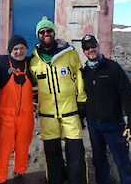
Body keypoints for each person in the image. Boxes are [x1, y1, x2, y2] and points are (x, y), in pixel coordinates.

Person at [29, 18, 88, 184]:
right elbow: (30, 87)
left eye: (49, 30)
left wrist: (82, 101)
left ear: (54, 32)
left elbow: (79, 76)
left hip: (70, 112)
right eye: (42, 32)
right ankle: (57, 180)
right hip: (48, 116)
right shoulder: (34, 61)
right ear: (38, 35)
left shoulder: (69, 52)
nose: (46, 34)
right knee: (52, 153)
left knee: (76, 151)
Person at [79, 34, 131, 184]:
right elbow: (83, 97)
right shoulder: (84, 71)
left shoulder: (113, 67)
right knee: (99, 161)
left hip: (113, 124)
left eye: (93, 46)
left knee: (122, 159)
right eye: (86, 48)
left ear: (97, 46)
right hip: (93, 124)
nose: (90, 49)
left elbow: (126, 95)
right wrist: (81, 117)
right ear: (83, 51)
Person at [0, 35, 34, 184]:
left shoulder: (31, 64)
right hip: (5, 116)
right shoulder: (1, 62)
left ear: (26, 49)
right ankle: (0, 179)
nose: (19, 51)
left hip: (26, 116)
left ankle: (20, 172)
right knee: (2, 150)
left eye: (22, 48)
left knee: (23, 146)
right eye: (15, 49)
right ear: (10, 51)